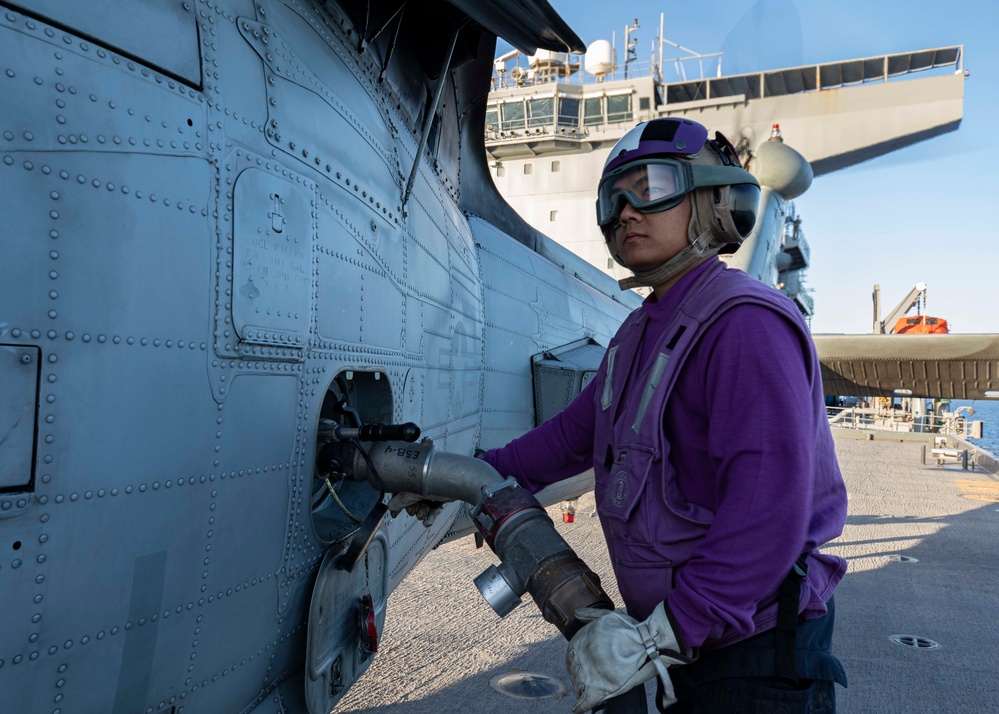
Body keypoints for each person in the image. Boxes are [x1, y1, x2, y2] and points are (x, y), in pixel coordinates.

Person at [479, 117, 848, 713]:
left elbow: (766, 511)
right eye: (613, 197)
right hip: (693, 644)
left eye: (649, 188)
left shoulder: (744, 323)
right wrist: (478, 473)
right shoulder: (640, 331)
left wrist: (663, 632)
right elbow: (573, 436)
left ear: (710, 199)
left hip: (753, 660)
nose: (624, 211)